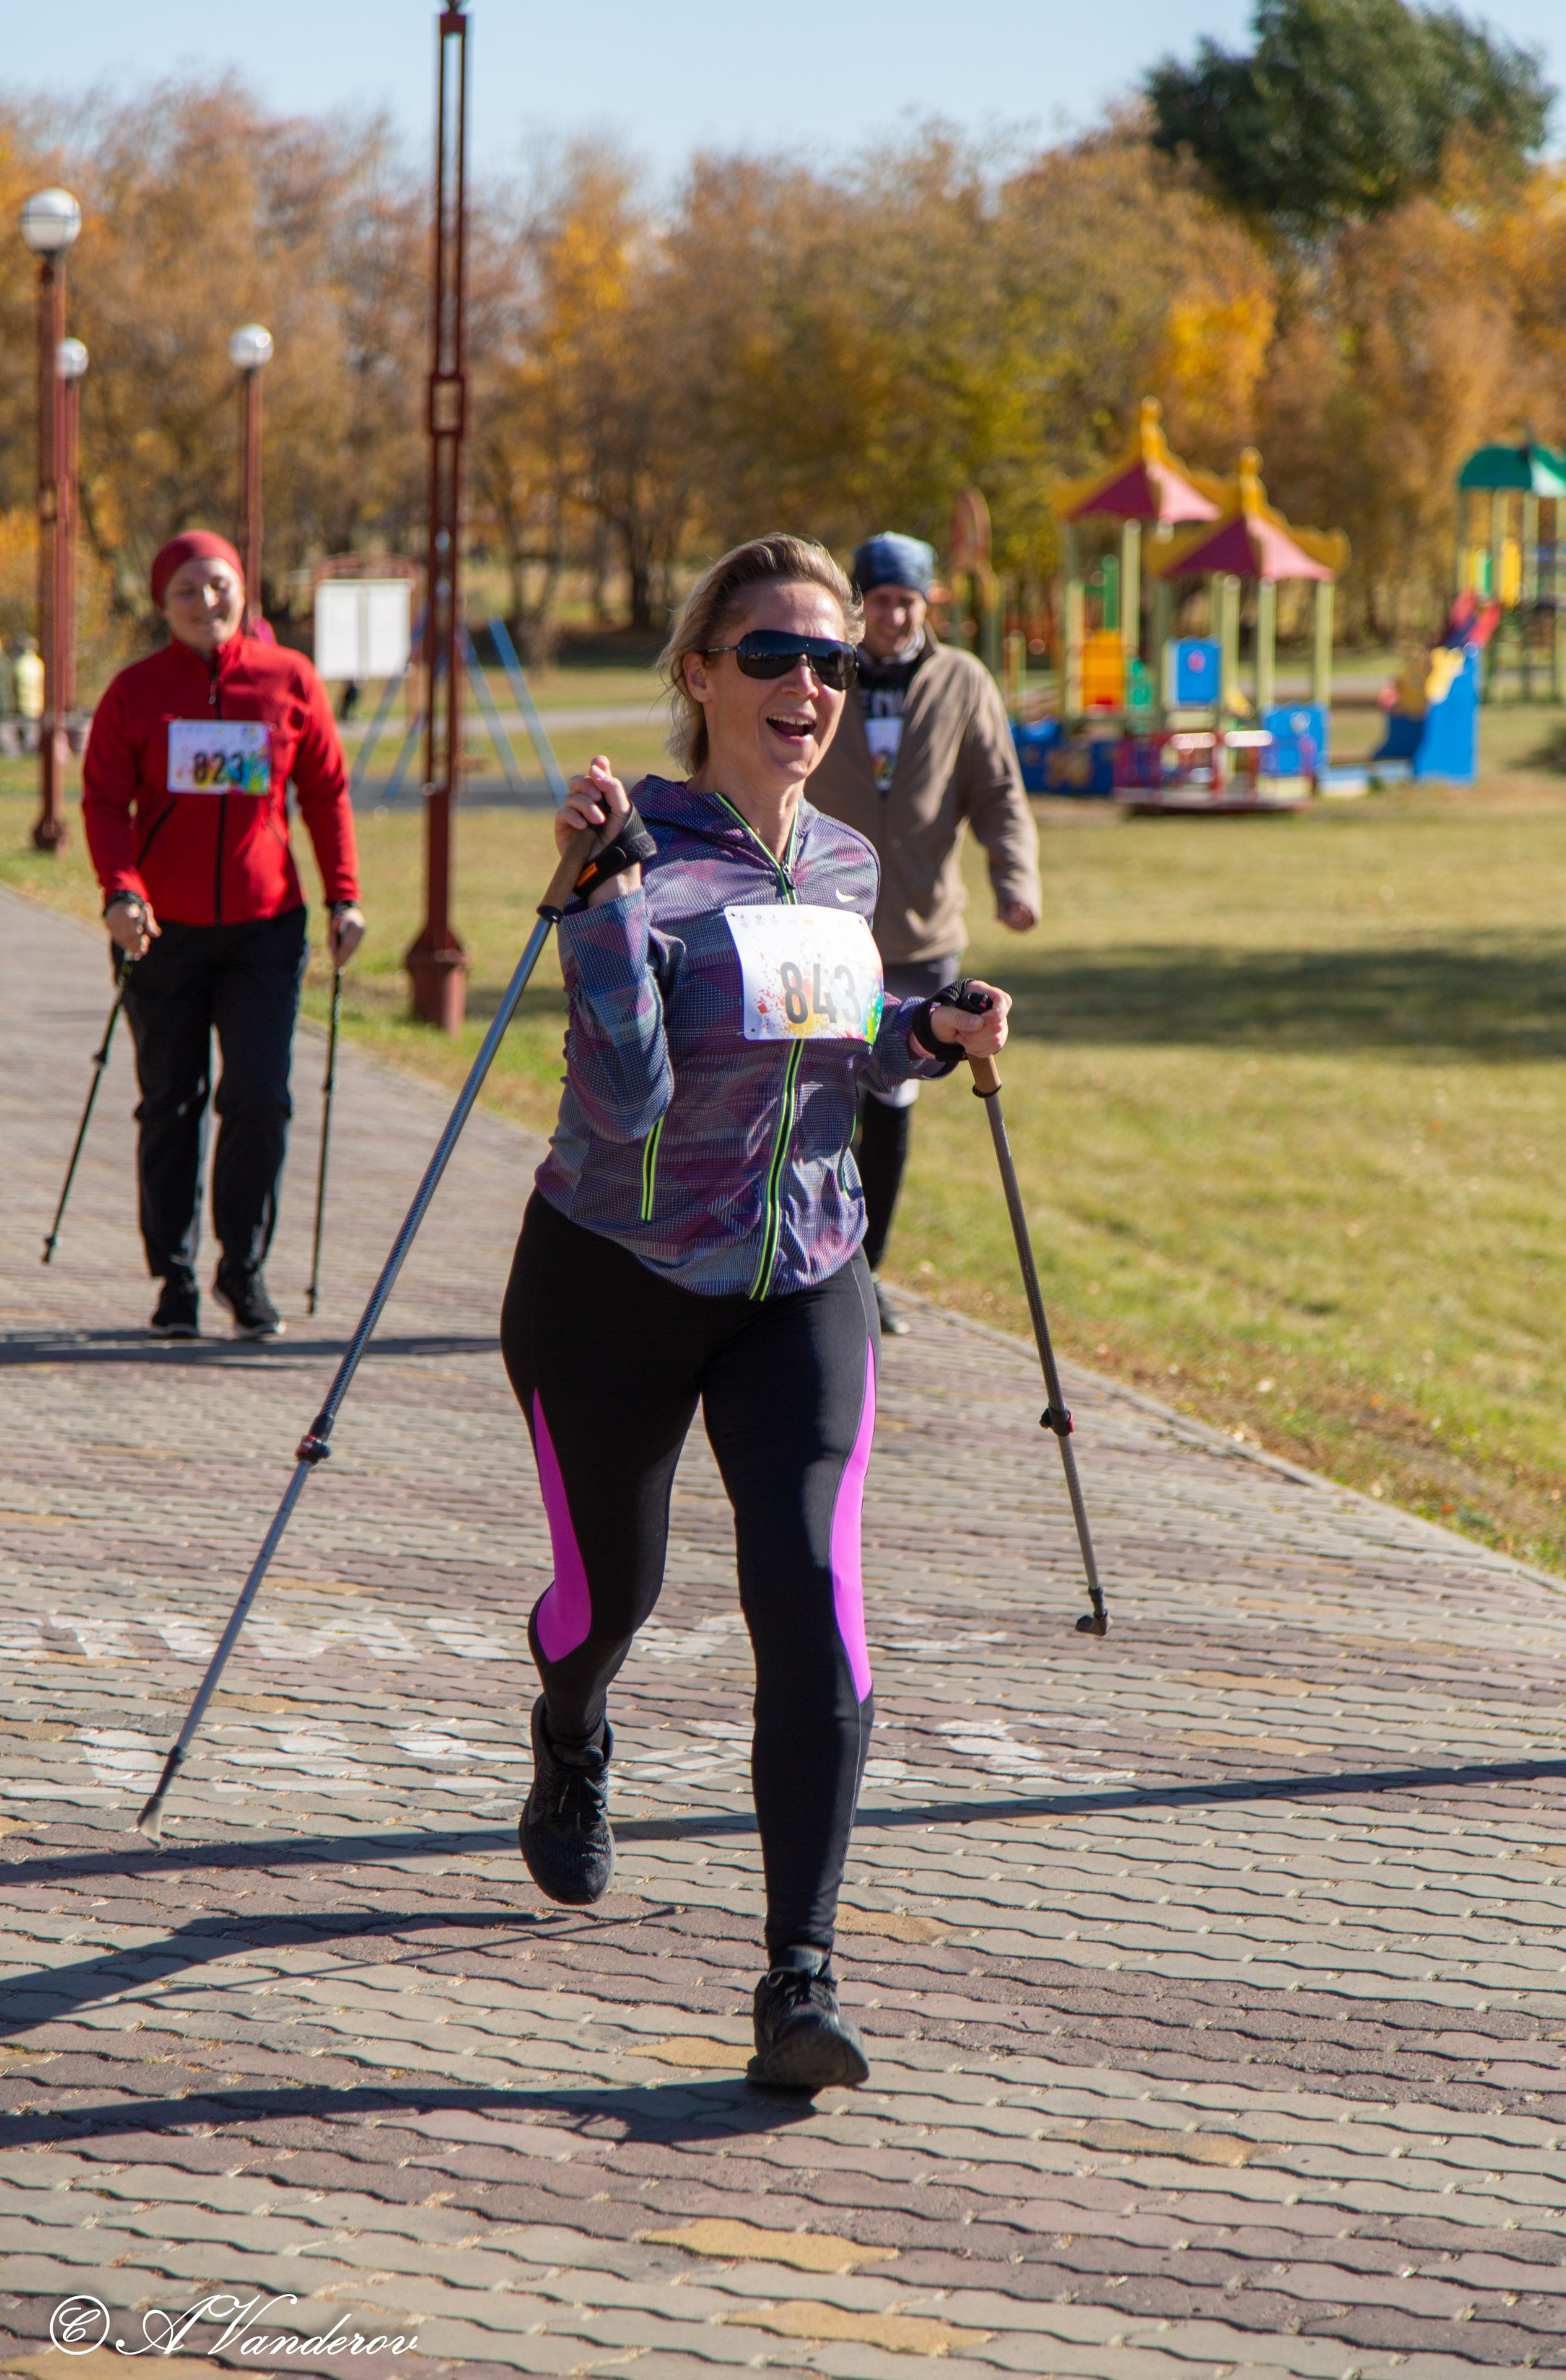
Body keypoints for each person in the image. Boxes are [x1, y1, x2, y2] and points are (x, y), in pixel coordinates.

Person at [501, 534, 1011, 2092]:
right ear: (699, 672)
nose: (810, 685)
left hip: (803, 1276)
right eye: (775, 654)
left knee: (810, 1599)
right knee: (612, 1604)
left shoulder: (845, 863)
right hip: (615, 1284)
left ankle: (799, 1974)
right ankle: (572, 1728)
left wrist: (923, 1026)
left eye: (835, 661)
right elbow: (634, 1095)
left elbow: (848, 1057)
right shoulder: (637, 850)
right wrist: (598, 914)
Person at [81, 531, 365, 1341]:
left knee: (261, 1099)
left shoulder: (289, 681)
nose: (206, 604)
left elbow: (326, 792)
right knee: (171, 1102)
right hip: (158, 934)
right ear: (162, 602)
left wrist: (344, 897)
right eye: (187, 592)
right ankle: (172, 1281)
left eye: (220, 586)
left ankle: (243, 1271)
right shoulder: (136, 693)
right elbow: (103, 801)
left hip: (265, 930)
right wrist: (120, 891)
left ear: (244, 589)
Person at [810, 532, 1041, 1335]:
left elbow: (999, 791)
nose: (893, 616)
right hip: (829, 927)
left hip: (919, 932)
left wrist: (1016, 883)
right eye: (879, 602)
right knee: (820, 1100)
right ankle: (813, 1259)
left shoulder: (960, 681)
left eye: (907, 601)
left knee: (895, 1100)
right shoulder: (821, 673)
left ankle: (861, 1273)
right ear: (858, 607)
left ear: (927, 604)